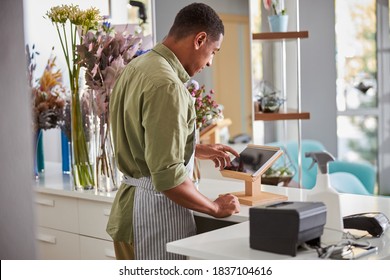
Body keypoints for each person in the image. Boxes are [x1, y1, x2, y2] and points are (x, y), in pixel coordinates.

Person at [106, 2, 241, 260]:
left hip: (129, 214)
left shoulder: (137, 67)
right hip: (154, 219)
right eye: (214, 52)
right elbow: (168, 179)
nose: (211, 62)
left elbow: (142, 139)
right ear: (200, 39)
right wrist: (214, 207)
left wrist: (194, 148)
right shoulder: (167, 85)